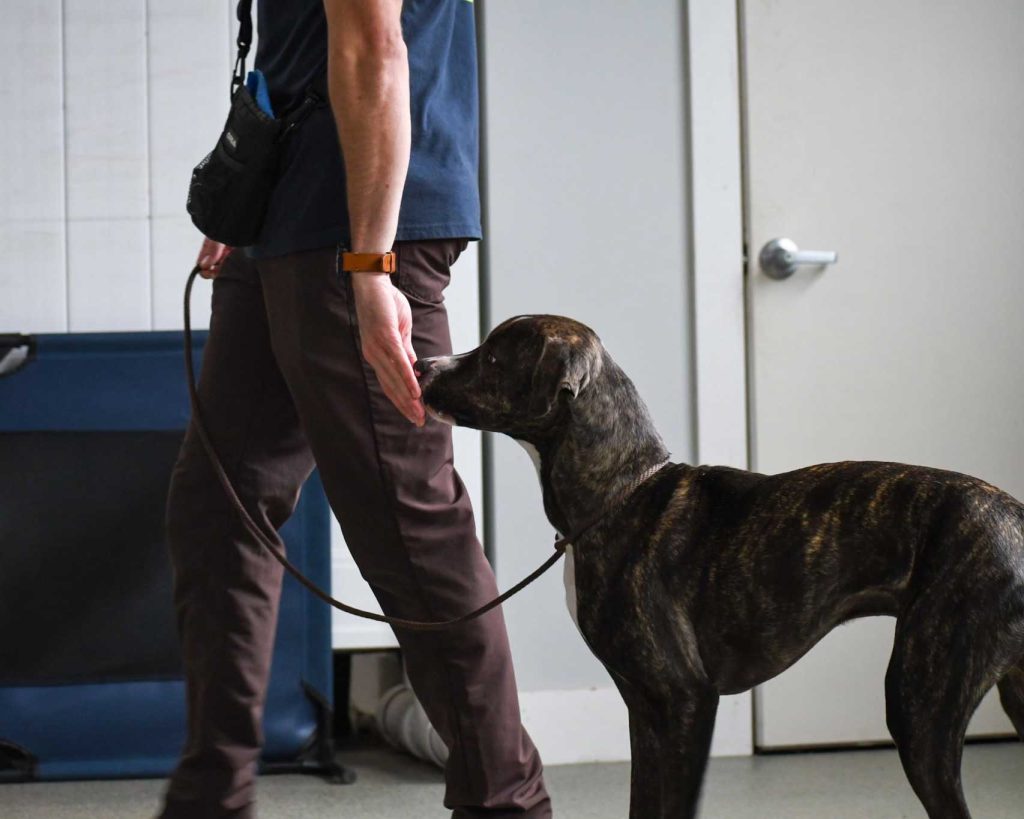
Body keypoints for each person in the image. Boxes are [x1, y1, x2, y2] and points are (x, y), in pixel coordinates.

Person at [156, 0, 552, 817]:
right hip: (289, 215)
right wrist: (252, 196)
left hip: (357, 229)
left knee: (409, 530)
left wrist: (372, 263)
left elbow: (374, 46)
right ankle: (209, 800)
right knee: (218, 504)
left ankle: (508, 806)